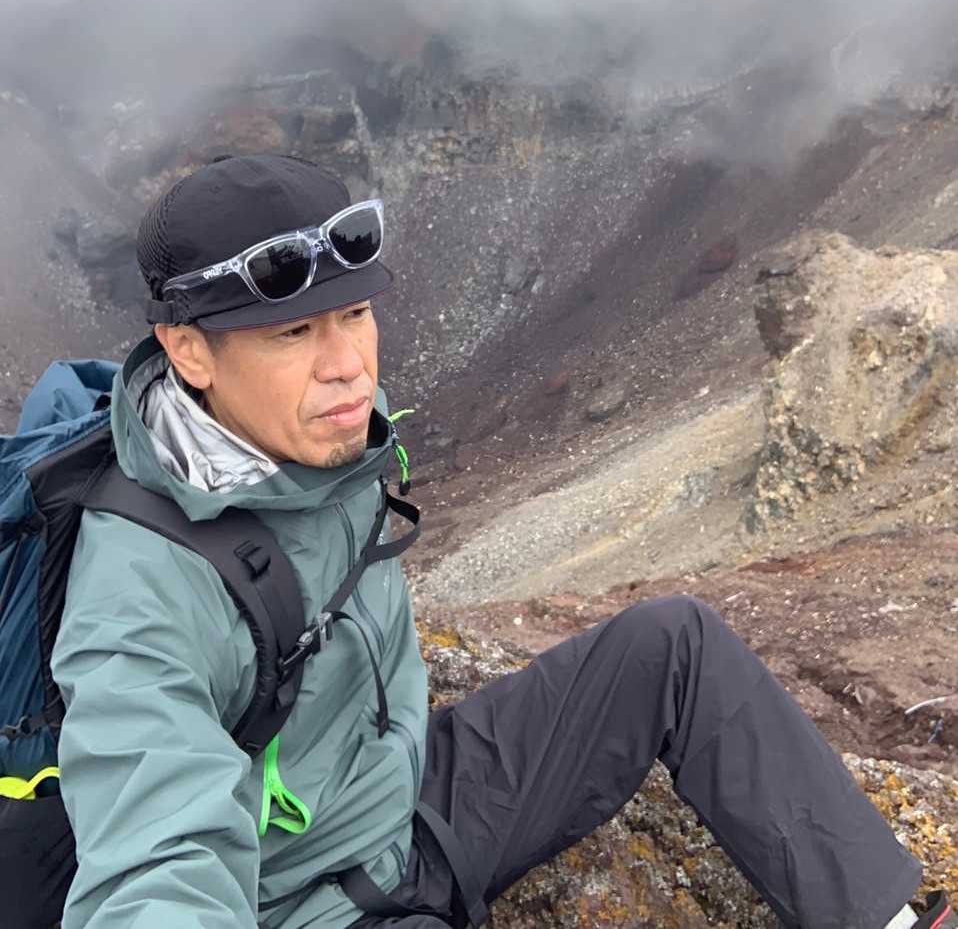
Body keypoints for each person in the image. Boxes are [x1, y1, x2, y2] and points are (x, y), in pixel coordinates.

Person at [52, 153, 952, 929]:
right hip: (313, 903)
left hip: (413, 794)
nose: (348, 366)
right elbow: (155, 857)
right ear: (190, 352)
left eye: (354, 314)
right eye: (293, 332)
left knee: (673, 644)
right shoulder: (141, 587)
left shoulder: (311, 433)